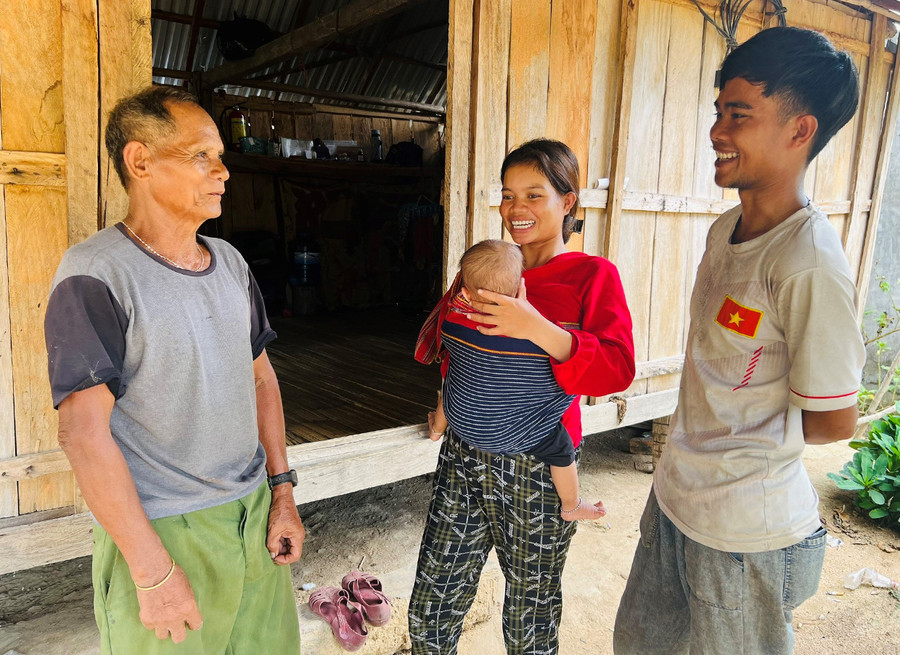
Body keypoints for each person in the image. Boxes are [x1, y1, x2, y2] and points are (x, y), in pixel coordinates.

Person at [614, 27, 864, 655]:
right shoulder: (725, 229)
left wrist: (744, 446)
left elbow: (835, 421)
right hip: (674, 501)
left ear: (799, 130)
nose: (717, 131)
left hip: (746, 535)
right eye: (718, 112)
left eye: (739, 115)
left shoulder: (808, 261)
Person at [44, 86, 304, 654]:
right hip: (165, 530)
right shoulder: (95, 274)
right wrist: (152, 572)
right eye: (200, 156)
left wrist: (281, 492)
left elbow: (261, 378)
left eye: (221, 159)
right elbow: (83, 434)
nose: (222, 173)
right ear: (140, 161)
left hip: (253, 516)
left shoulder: (230, 261)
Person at [409, 138, 635, 654]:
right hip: (464, 457)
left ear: (568, 202)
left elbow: (617, 368)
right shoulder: (484, 268)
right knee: (432, 604)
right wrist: (446, 404)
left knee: (528, 618)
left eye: (534, 195)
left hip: (540, 464)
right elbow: (454, 344)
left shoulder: (591, 276)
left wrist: (537, 327)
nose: (516, 209)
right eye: (509, 195)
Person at [427, 239, 606, 521]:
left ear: (465, 292)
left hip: (463, 424)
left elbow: (449, 368)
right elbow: (568, 376)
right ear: (521, 290)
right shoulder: (539, 338)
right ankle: (571, 504)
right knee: (562, 448)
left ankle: (437, 427)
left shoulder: (452, 325)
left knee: (454, 375)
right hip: (518, 435)